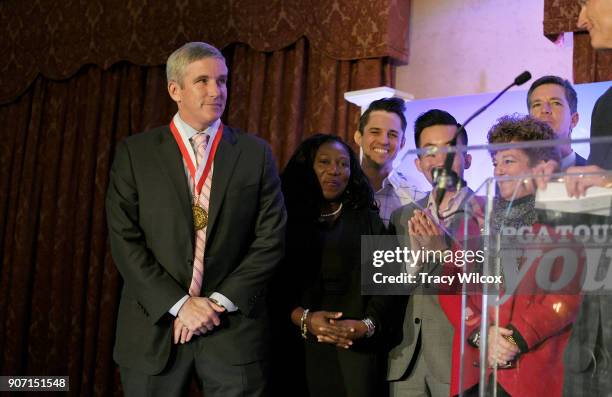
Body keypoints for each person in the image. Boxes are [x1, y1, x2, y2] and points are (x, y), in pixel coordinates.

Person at [105, 42, 286, 397]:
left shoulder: (255, 153)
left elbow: (271, 239)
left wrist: (215, 304)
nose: (216, 91)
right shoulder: (135, 153)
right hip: (155, 328)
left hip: (232, 332)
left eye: (222, 81)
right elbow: (125, 240)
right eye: (202, 80)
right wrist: (180, 305)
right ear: (175, 90)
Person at [442, 115, 582, 397]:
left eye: (508, 161)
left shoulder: (566, 218)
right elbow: (451, 286)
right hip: (474, 371)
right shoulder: (475, 218)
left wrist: (515, 338)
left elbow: (567, 297)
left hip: (531, 371)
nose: (498, 170)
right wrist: (482, 333)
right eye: (495, 162)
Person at [279, 134, 398, 397]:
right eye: (324, 162)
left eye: (344, 164)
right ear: (306, 168)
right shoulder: (281, 221)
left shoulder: (370, 221)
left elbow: (391, 286)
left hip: (356, 350)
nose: (335, 170)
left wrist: (365, 325)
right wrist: (305, 319)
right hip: (296, 349)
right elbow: (270, 289)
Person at [387, 109, 478, 397]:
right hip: (405, 360)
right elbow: (388, 288)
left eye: (450, 150)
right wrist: (413, 263)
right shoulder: (402, 216)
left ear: (468, 158)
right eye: (430, 153)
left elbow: (499, 284)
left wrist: (443, 253)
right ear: (418, 162)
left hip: (460, 359)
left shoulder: (491, 213)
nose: (440, 160)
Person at [561, 1, 612, 395]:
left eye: (585, 3)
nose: (579, 19)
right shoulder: (607, 103)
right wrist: (549, 191)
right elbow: (597, 208)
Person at [354, 97, 424, 226]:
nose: (384, 141)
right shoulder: (339, 188)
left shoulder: (416, 200)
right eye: (375, 132)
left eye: (392, 134)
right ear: (358, 137)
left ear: (402, 143)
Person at [527, 75, 586, 169]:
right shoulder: (514, 176)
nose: (545, 110)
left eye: (556, 103)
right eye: (537, 104)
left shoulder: (599, 175)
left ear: (573, 120)